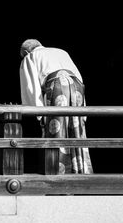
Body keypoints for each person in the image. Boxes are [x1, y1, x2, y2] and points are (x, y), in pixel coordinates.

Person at [19, 39, 93, 174]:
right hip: (77, 89)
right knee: (77, 129)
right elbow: (79, 77)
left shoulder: (30, 56)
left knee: (56, 130)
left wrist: (38, 112)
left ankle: (59, 174)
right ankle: (81, 171)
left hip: (56, 87)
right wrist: (84, 110)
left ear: (25, 51)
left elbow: (30, 87)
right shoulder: (62, 52)